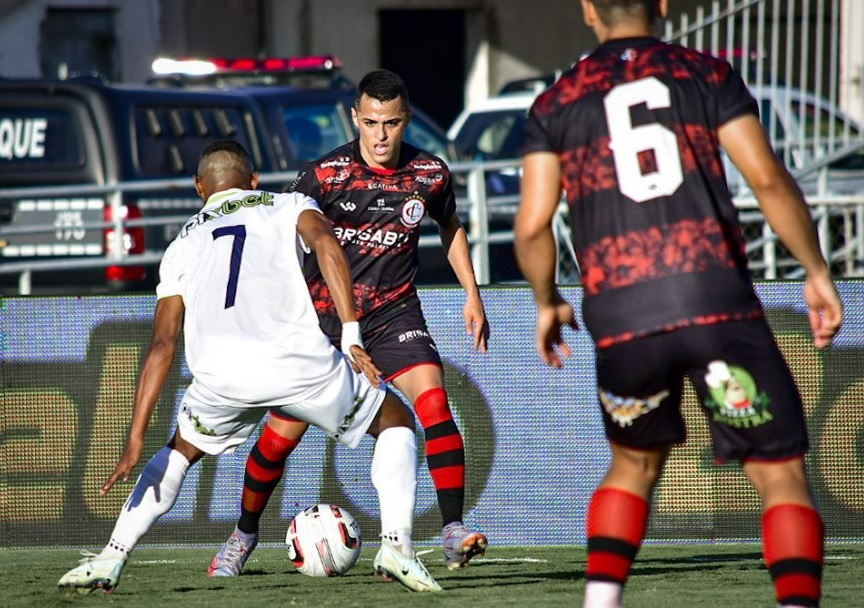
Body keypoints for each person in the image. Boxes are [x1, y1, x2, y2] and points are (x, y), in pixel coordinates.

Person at [513, 2, 843, 608]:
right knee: (779, 474)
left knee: (633, 466)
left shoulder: (556, 102)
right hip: (713, 299)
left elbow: (532, 225)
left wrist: (546, 301)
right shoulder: (704, 74)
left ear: (589, 11)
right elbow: (768, 180)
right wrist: (816, 269)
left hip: (622, 314)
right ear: (662, 6)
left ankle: (601, 602)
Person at [57, 139, 442, 594]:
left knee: (179, 451)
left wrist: (136, 437)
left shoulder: (181, 244)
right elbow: (328, 248)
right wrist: (352, 333)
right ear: (253, 180)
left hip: (221, 378)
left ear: (199, 188)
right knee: (396, 422)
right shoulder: (287, 204)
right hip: (297, 362)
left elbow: (162, 345)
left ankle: (110, 557)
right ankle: (396, 546)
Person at [209, 68, 490, 577]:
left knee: (433, 400)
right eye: (372, 123)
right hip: (324, 323)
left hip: (394, 314)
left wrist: (473, 293)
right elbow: (282, 239)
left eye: (393, 123)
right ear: (356, 118)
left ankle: (451, 530)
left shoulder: (429, 174)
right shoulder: (324, 174)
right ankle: (243, 534)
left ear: (406, 122)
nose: (381, 136)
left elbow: (450, 227)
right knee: (280, 434)